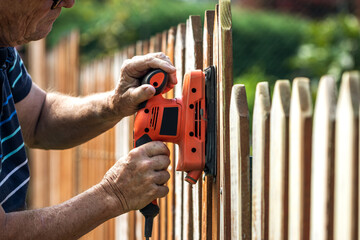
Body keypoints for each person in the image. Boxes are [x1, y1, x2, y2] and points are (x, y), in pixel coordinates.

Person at [0, 0, 177, 239]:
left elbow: (39, 117)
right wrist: (114, 194)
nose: (70, 3)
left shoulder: (3, 49)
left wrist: (114, 104)